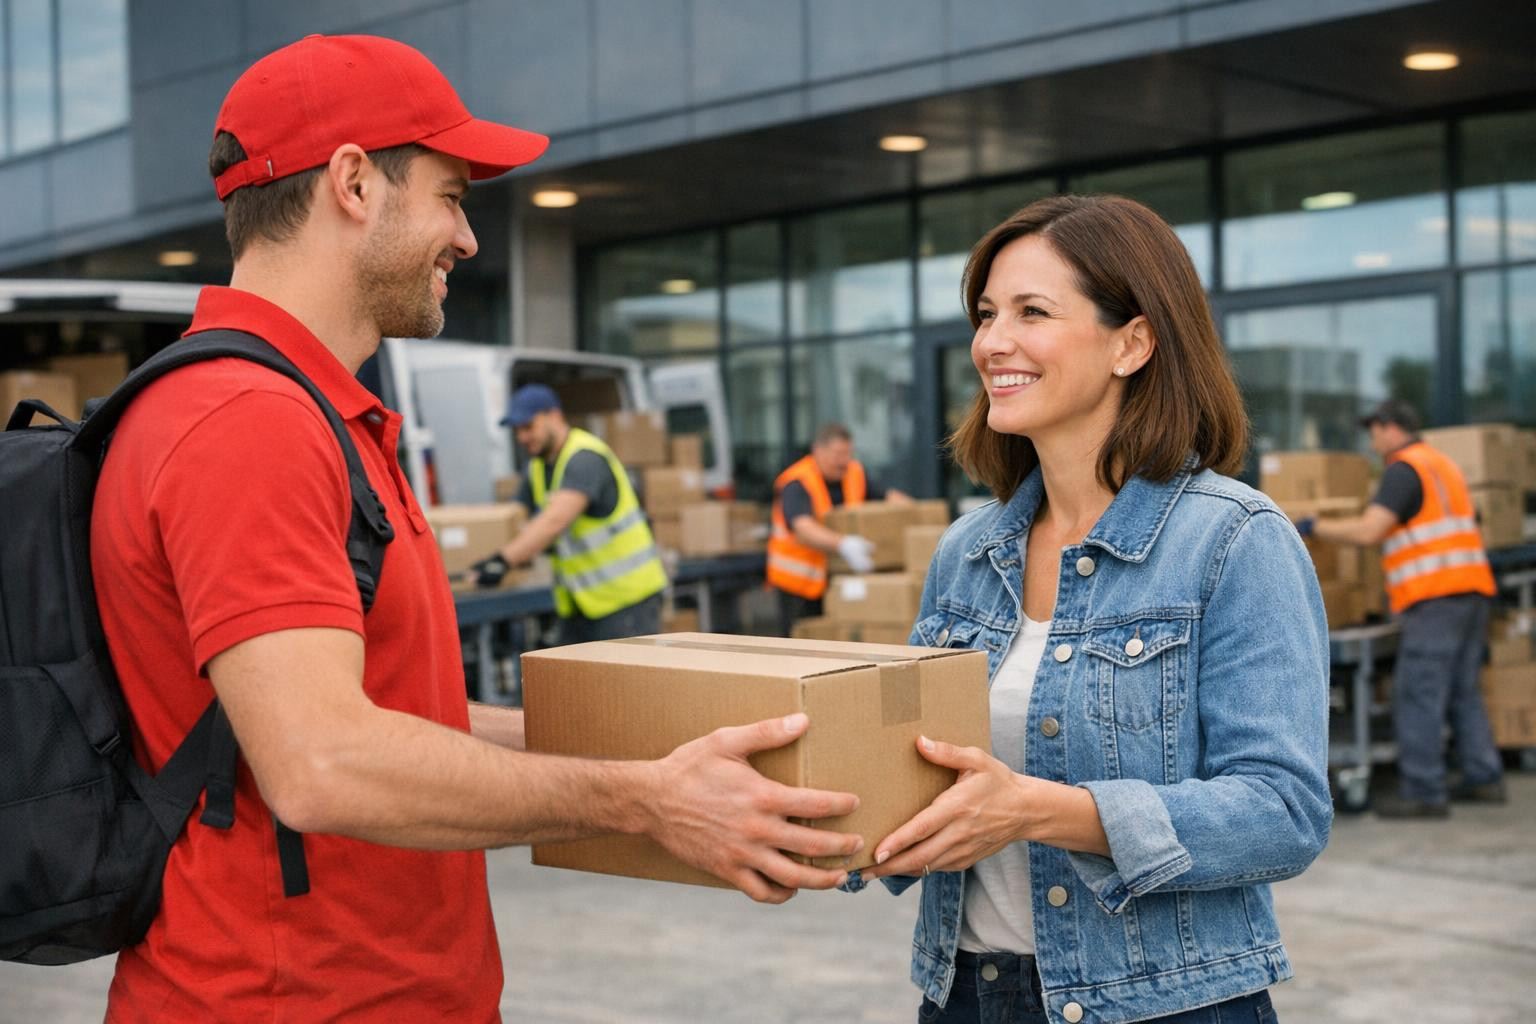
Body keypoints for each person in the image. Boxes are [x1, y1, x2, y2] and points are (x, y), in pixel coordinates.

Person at [89, 34, 861, 1023]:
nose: (468, 239)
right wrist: (644, 800)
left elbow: (408, 719)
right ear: (355, 184)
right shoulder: (248, 422)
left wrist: (665, 747)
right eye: (452, 196)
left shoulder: (319, 415)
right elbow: (326, 763)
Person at [850, 195, 1333, 1024]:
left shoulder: (1232, 541)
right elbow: (921, 779)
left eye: (1032, 312)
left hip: (1165, 1006)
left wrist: (1038, 810)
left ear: (1133, 342)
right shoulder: (966, 554)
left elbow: (1282, 812)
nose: (992, 341)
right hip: (965, 994)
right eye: (986, 313)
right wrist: (830, 824)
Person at [1295, 399, 1503, 817]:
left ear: (1390, 428)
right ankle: (1484, 777)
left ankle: (1423, 791)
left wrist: (1313, 526)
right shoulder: (1440, 464)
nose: (1373, 443)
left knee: (1417, 692)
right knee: (1462, 690)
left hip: (1435, 597)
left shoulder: (1404, 469)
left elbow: (1371, 530)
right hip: (1471, 589)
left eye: (1373, 433)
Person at [468, 383, 667, 643]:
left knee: (624, 684)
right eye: (517, 430)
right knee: (577, 682)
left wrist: (501, 561)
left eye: (529, 427)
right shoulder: (538, 469)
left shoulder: (584, 458)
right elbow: (511, 519)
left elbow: (554, 522)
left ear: (555, 416)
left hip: (626, 600)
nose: (522, 437)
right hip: (581, 603)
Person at [767, 421, 911, 635]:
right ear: (818, 451)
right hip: (797, 585)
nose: (844, 461)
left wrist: (918, 513)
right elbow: (802, 527)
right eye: (838, 454)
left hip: (835, 580)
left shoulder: (854, 473)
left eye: (848, 453)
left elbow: (887, 497)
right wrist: (843, 544)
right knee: (801, 648)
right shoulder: (797, 482)